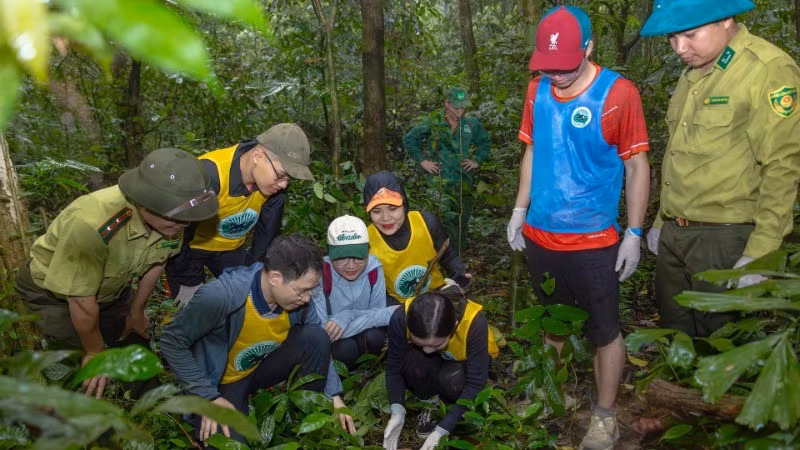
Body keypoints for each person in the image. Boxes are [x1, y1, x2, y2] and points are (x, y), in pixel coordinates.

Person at [506, 5, 651, 449]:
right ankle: (552, 395)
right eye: (548, 68)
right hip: (541, 236)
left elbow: (637, 165)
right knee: (552, 322)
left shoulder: (618, 92)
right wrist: (518, 211)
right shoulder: (537, 90)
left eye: (566, 67)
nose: (557, 76)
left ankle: (604, 416)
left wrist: (634, 232)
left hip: (594, 240)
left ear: (588, 48)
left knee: (604, 330)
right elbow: (533, 150)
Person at [640, 0, 800, 336]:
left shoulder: (766, 69)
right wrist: (661, 221)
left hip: (726, 237)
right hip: (676, 233)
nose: (679, 48)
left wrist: (761, 251)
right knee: (677, 343)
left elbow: (782, 166)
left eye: (690, 35)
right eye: (672, 37)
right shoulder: (693, 73)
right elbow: (679, 154)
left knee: (723, 349)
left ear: (725, 18)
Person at [15, 148, 219, 399]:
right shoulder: (91, 224)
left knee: (135, 346)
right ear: (146, 202)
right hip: (53, 294)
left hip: (112, 289)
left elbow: (156, 264)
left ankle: (147, 411)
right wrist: (95, 351)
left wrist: (136, 311)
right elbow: (79, 299)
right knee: (77, 361)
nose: (185, 226)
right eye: (179, 217)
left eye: (190, 218)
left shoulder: (172, 223)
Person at [160, 234, 354, 446]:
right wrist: (207, 396)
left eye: (311, 290)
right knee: (230, 444)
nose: (307, 298)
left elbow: (318, 337)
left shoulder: (299, 303)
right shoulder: (220, 297)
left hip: (262, 366)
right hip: (222, 382)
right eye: (302, 291)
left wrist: (333, 395)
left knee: (316, 337)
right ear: (275, 278)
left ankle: (301, 415)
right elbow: (172, 342)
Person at [165, 123, 315, 308]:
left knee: (247, 301)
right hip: (190, 249)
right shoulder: (209, 175)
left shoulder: (274, 186)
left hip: (230, 248)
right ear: (258, 156)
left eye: (289, 180)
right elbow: (177, 233)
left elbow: (267, 234)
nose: (284, 185)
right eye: (282, 175)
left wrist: (254, 274)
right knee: (192, 308)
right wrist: (189, 279)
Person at [382, 284, 498, 450]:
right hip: (431, 364)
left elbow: (475, 383)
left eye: (437, 344)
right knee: (413, 359)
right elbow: (393, 366)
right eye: (419, 342)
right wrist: (397, 410)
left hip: (460, 365)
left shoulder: (474, 323)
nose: (428, 350)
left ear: (454, 325)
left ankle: (451, 408)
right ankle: (430, 401)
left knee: (452, 381)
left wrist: (443, 429)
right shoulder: (402, 317)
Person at [403, 87, 490, 254]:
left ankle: (458, 259)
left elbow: (485, 143)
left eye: (463, 107)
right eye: (456, 107)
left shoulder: (471, 123)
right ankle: (438, 258)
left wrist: (477, 161)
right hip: (439, 183)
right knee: (439, 222)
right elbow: (410, 139)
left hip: (463, 183)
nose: (460, 111)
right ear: (447, 103)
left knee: (461, 222)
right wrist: (423, 161)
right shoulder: (433, 121)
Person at [363, 170, 471, 304]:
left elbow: (449, 256)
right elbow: (374, 291)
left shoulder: (426, 222)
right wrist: (404, 310)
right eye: (376, 211)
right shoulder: (365, 240)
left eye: (392, 209)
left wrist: (459, 277)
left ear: (404, 205)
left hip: (440, 296)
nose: (386, 218)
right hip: (399, 307)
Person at [310, 215, 399, 370]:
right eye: (342, 259)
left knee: (375, 337)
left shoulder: (373, 268)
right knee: (345, 349)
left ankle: (366, 371)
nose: (351, 266)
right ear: (330, 255)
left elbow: (379, 312)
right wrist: (371, 317)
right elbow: (324, 332)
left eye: (359, 258)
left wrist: (347, 316)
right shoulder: (321, 274)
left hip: (363, 333)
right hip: (337, 342)